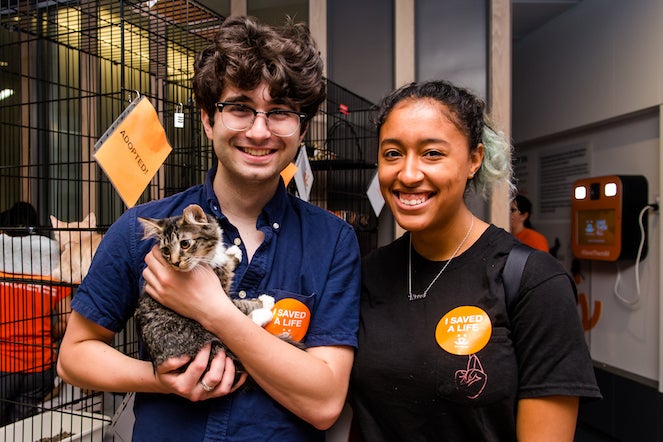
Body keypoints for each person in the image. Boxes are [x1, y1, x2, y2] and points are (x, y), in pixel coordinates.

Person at [57, 16, 360, 441]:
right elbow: (73, 357)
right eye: (239, 108)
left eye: (279, 113)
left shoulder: (333, 242)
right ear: (206, 119)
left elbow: (326, 404)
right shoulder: (140, 230)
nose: (259, 130)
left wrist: (213, 311)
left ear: (302, 129)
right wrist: (158, 379)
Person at [349, 80, 601, 441]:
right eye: (392, 153)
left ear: (474, 159)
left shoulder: (531, 280)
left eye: (432, 153)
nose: (407, 174)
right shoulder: (368, 273)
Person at [0, 201, 71, 425]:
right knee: (21, 431)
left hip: (3, 366)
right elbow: (68, 319)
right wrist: (48, 332)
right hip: (40, 368)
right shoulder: (50, 267)